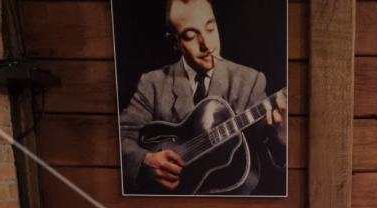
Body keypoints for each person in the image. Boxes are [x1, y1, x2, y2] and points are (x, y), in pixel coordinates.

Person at [119, 0, 287, 194]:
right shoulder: (152, 83)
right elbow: (118, 138)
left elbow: (269, 159)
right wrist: (144, 162)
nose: (206, 45)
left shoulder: (250, 81)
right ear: (175, 42)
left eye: (210, 28)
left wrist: (281, 139)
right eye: (190, 36)